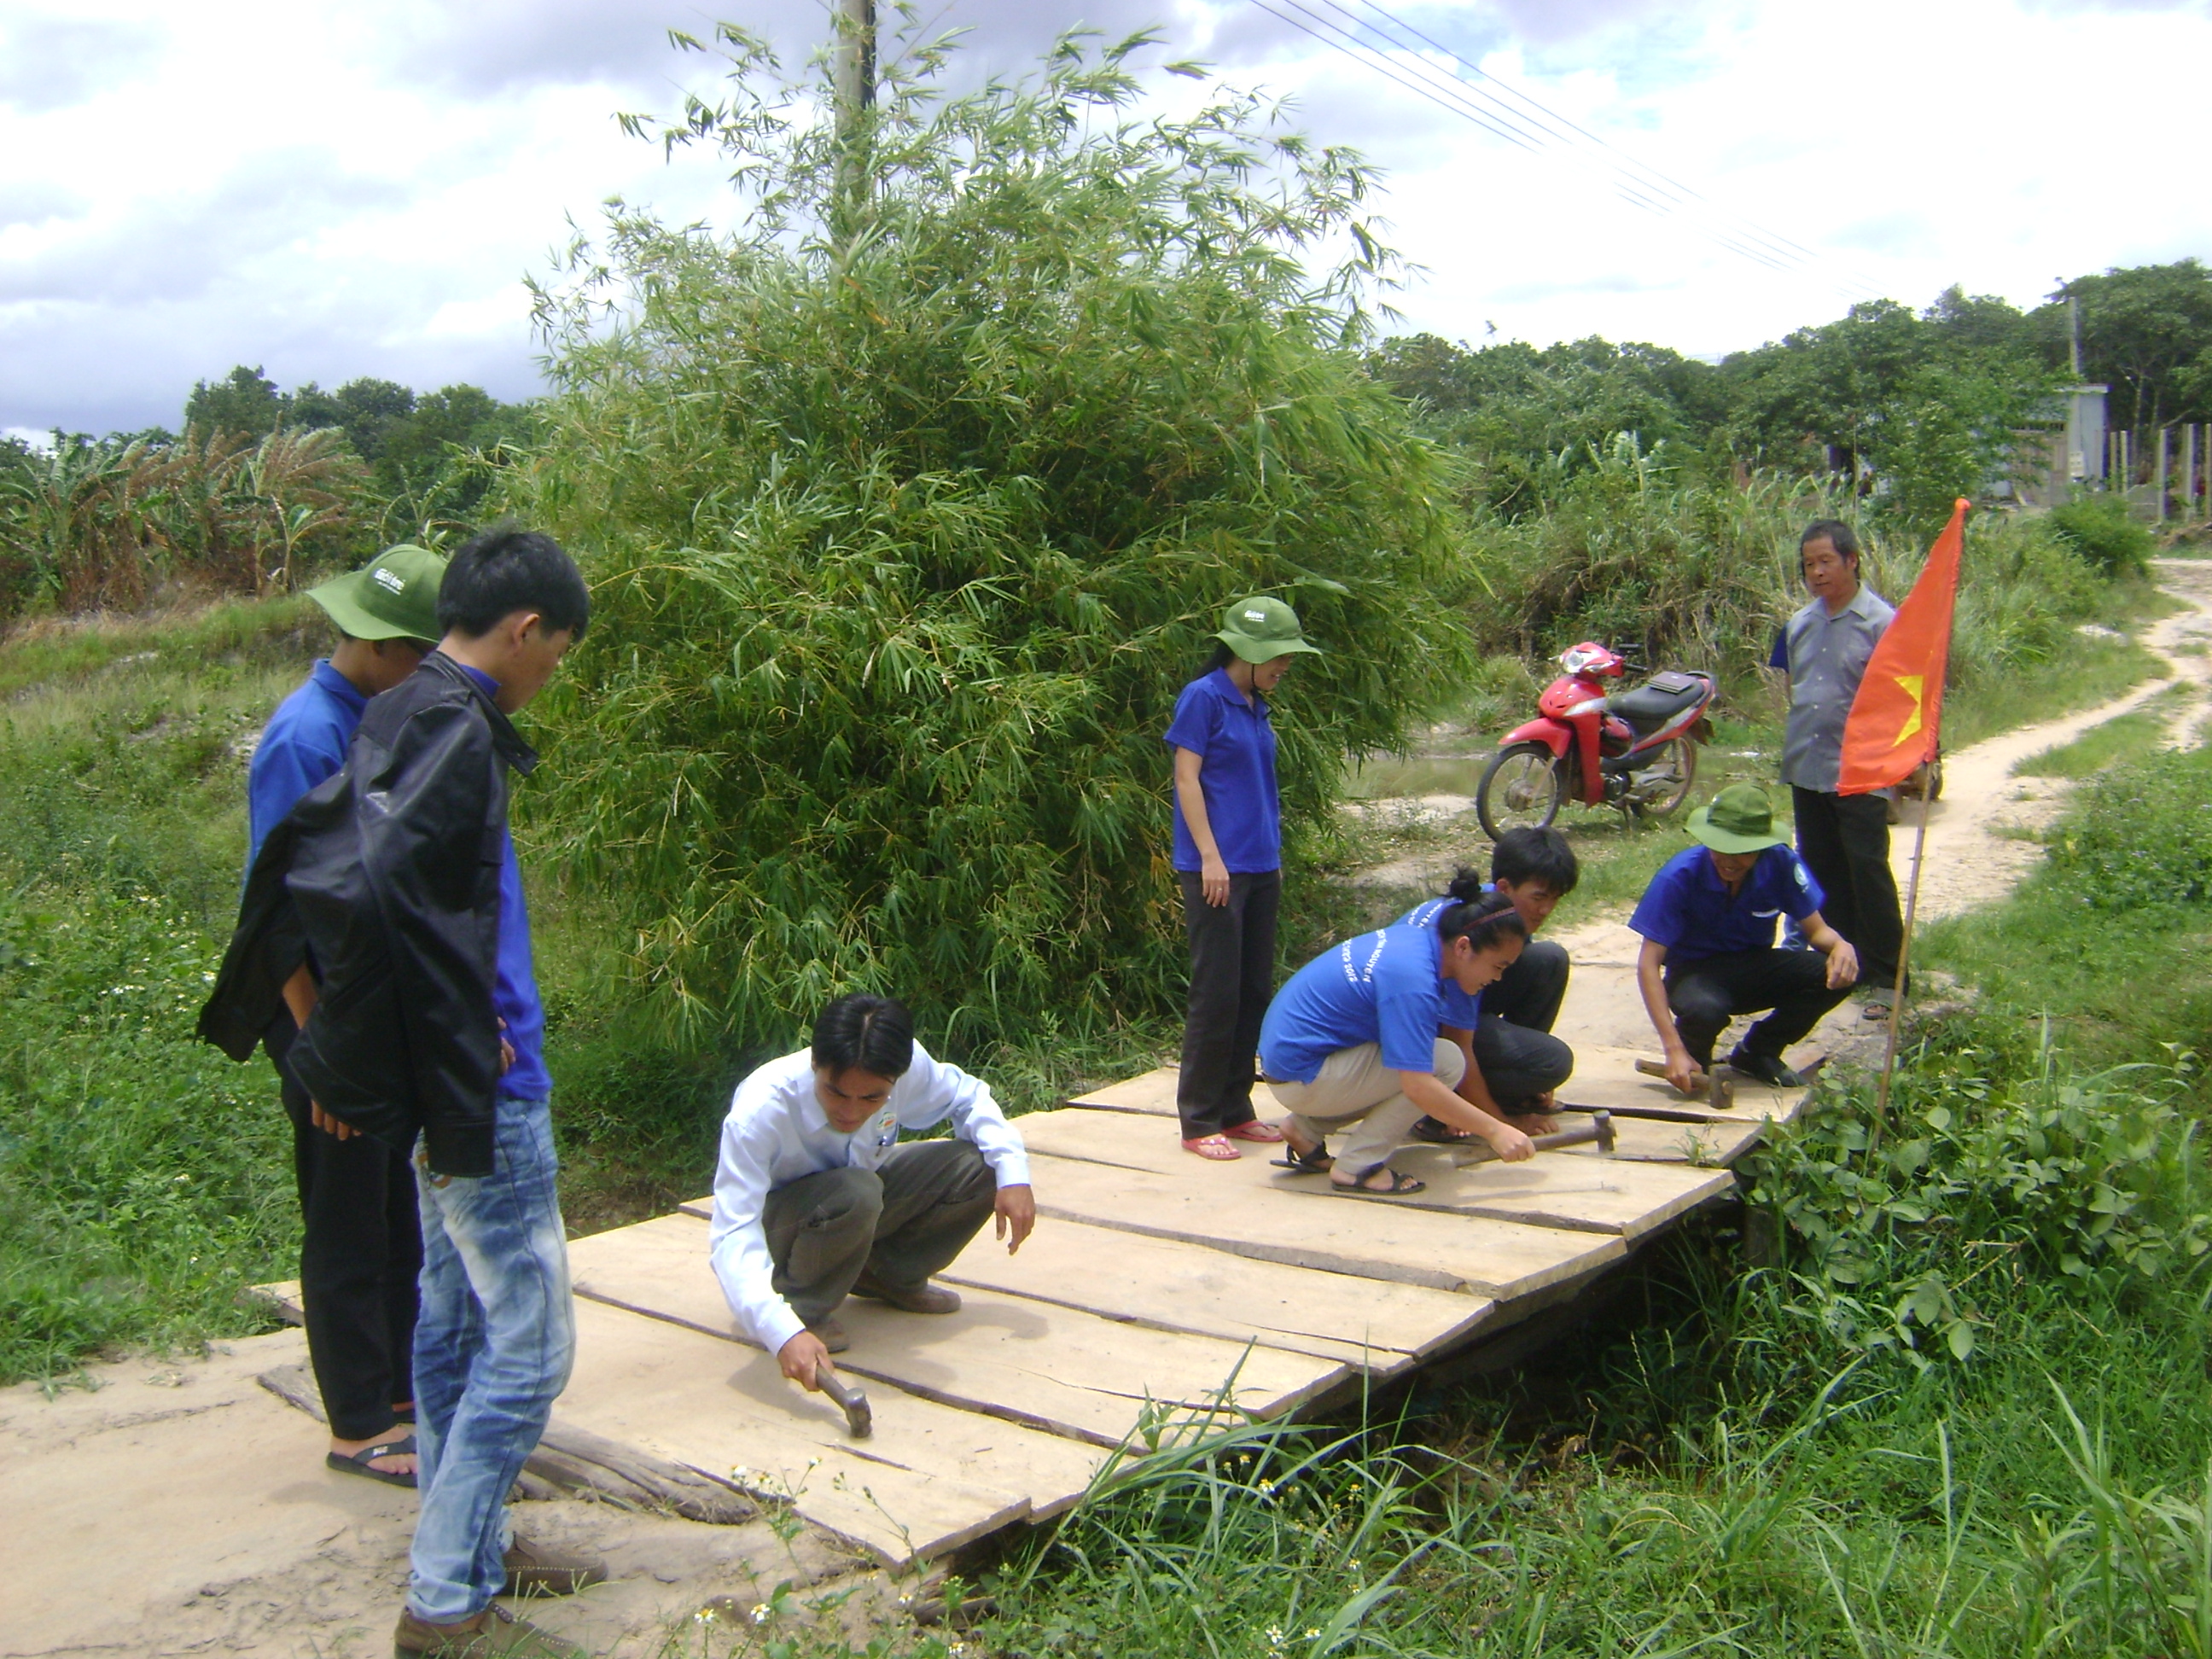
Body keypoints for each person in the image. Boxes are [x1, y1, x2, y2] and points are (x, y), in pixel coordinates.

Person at [201, 524, 601, 1658]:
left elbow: (345, 884)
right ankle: (441, 1601)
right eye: (557, 652)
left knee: (451, 1315)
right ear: (523, 631)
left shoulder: (404, 707)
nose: (550, 673)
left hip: (444, 1077)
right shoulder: (448, 730)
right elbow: (357, 896)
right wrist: (430, 1050)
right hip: (482, 1086)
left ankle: (467, 1546)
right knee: (530, 1348)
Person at [246, 543, 445, 1489]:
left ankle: (403, 1389)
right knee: (345, 1221)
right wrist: (323, 1047)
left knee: (394, 1206)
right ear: (385, 647)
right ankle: (359, 1422)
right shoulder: (305, 736)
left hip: (374, 1017)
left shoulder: (370, 717)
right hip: (326, 1022)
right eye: (428, 654)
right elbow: (280, 913)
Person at [708, 994, 1038, 1391]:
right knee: (857, 1190)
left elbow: (967, 1096)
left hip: (857, 1202)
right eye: (836, 1093)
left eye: (872, 1098)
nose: (851, 1111)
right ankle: (803, 1309)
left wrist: (1013, 1173)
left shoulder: (907, 1066)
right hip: (781, 1231)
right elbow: (733, 1234)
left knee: (984, 1165)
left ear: (896, 1079)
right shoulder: (761, 1110)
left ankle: (889, 1276)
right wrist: (781, 1332)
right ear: (816, 1064)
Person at [1163, 597, 1322, 1161]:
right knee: (1216, 993)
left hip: (1260, 866)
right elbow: (1186, 780)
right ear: (1248, 652)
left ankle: (1236, 1108)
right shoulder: (1203, 697)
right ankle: (1199, 1117)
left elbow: (1258, 790)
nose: (1285, 667)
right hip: (1215, 871)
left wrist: (1270, 855)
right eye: (1278, 656)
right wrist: (1209, 857)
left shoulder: (1256, 704)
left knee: (1253, 990)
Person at [1259, 894, 1538, 1196]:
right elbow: (1418, 1087)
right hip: (1303, 1077)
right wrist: (1496, 1130)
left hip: (1293, 1065)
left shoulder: (1416, 942)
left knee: (1419, 1059)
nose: (1497, 978)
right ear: (1463, 947)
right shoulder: (1412, 981)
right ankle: (1357, 1167)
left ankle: (1305, 1130)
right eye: (1498, 966)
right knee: (1444, 1062)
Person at [1629, 783, 1859, 1094]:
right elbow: (1648, 964)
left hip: (1754, 967)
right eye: (1720, 847)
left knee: (1837, 971)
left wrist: (1841, 946)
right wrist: (1672, 1049)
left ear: (1763, 847)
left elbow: (1817, 931)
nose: (1730, 860)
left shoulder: (1780, 863)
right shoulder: (1678, 876)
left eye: (1744, 852)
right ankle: (1691, 1058)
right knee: (1705, 1010)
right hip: (1695, 975)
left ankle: (1759, 1051)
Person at [1769, 519, 1903, 1016]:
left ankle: (1887, 976)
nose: (1817, 572)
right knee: (1820, 869)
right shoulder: (1800, 625)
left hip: (1862, 768)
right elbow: (1796, 691)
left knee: (1867, 869)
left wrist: (1907, 762)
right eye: (1808, 564)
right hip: (1807, 764)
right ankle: (1837, 966)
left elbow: (1901, 699)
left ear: (1852, 561)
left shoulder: (1882, 623)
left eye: (1826, 561)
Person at [1400, 827, 1580, 1144]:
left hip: (1447, 1018)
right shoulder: (1472, 934)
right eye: (1538, 897)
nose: (1546, 909)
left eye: (1555, 899)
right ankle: (1441, 1109)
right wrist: (1500, 1125)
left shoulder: (1497, 912)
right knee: (1552, 1061)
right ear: (1504, 887)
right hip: (1411, 1035)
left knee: (1549, 959)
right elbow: (1458, 1043)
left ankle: (1513, 1089)